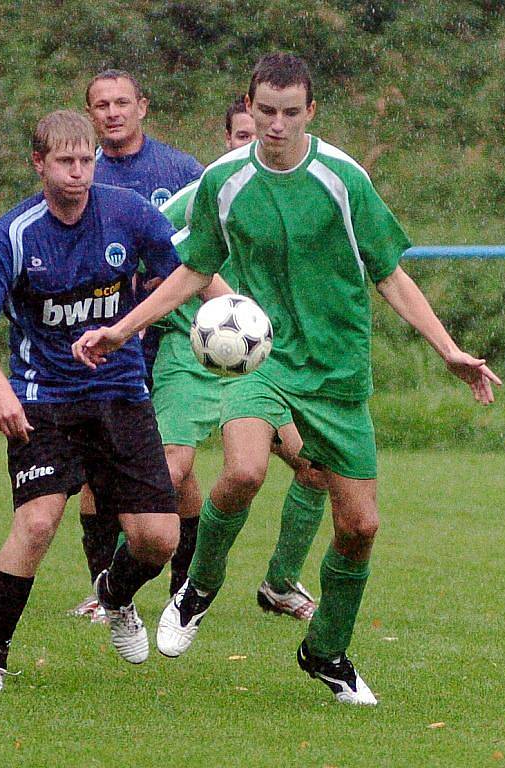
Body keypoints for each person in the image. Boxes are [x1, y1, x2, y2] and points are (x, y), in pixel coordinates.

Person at [72, 53, 501, 706]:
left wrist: (448, 350)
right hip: (263, 362)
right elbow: (191, 268)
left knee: (360, 527)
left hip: (337, 374)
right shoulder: (224, 180)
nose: (275, 126)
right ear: (251, 104)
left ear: (311, 112)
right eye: (265, 112)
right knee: (243, 471)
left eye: (290, 114)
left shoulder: (341, 179)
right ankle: (197, 589)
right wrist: (123, 329)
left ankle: (325, 651)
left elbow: (389, 272)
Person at [0, 110, 181, 691]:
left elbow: (187, 272)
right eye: (65, 161)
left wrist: (238, 310)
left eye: (87, 161)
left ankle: (114, 592)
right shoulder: (14, 232)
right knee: (36, 523)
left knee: (159, 538)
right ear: (39, 163)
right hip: (43, 399)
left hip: (120, 393)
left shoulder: (128, 212)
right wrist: (1, 392)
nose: (79, 172)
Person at [154, 96, 328, 620]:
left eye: (259, 135)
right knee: (174, 471)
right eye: (240, 135)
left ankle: (279, 582)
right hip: (191, 357)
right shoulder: (200, 194)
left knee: (315, 466)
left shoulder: (288, 199)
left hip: (262, 364)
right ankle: (116, 582)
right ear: (226, 139)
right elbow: (154, 242)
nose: (252, 143)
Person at [71, 69, 204, 622]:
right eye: (100, 104)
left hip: (171, 339)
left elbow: (208, 247)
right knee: (97, 474)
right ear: (90, 114)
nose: (112, 112)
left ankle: (183, 585)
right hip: (107, 343)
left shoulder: (180, 171)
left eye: (121, 102)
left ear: (142, 106)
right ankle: (105, 587)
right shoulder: (79, 175)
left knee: (177, 470)